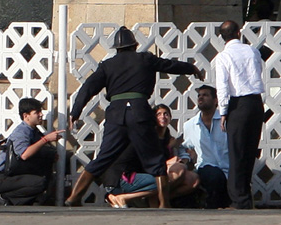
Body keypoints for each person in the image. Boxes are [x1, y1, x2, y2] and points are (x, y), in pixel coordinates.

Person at [65, 26, 204, 208]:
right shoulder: (145, 59)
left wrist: (75, 112)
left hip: (116, 114)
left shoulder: (108, 65)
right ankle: (164, 203)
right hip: (140, 112)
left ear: (116, 48)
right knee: (154, 158)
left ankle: (74, 197)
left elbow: (88, 87)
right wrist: (192, 68)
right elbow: (169, 65)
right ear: (135, 45)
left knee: (104, 157)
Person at [215, 20, 264, 209]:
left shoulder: (223, 57)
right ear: (238, 33)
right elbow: (257, 73)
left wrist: (224, 112)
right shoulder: (252, 51)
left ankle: (239, 200)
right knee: (250, 151)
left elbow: (223, 87)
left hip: (238, 105)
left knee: (236, 153)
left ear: (222, 37)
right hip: (255, 102)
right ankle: (246, 196)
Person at [0, 98, 63, 206]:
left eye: (40, 111)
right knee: (39, 183)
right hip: (2, 178)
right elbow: (24, 154)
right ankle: (4, 198)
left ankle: (19, 201)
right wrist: (46, 139)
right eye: (36, 112)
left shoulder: (33, 131)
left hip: (16, 175)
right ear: (26, 116)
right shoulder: (21, 132)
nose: (41, 115)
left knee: (46, 181)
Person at [180, 85, 230, 209]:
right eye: (199, 95)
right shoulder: (190, 125)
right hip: (206, 168)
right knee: (214, 176)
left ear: (215, 100)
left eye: (205, 95)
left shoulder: (227, 121)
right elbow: (185, 147)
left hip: (229, 168)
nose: (201, 98)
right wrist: (185, 159)